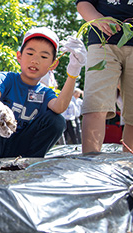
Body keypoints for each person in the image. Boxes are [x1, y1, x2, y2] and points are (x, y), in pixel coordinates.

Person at [0, 27, 87, 160]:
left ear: (53, 64)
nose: (35, 60)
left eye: (44, 56)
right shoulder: (7, 78)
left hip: (19, 149)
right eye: (30, 53)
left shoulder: (45, 93)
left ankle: (29, 162)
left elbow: (59, 107)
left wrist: (73, 72)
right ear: (19, 56)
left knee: (57, 121)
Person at [76, 0, 133, 153]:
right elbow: (83, 3)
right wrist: (97, 18)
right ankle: (90, 163)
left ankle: (129, 167)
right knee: (95, 106)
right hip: (102, 43)